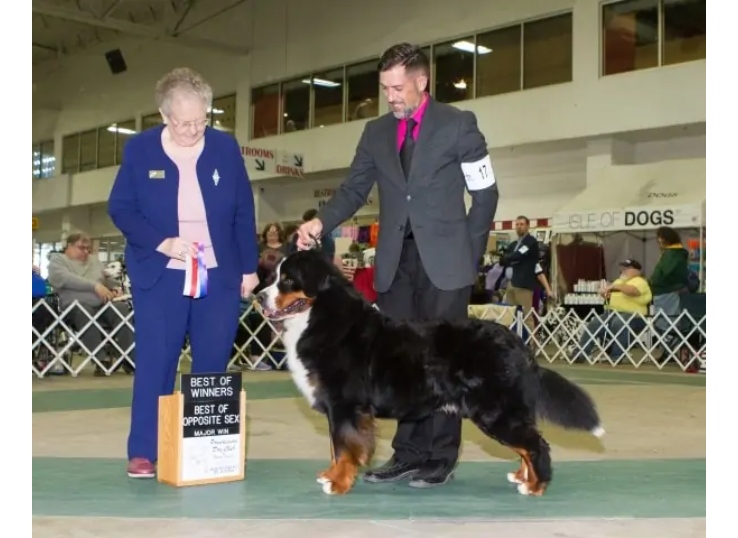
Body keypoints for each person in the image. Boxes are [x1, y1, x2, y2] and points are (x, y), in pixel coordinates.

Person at [296, 43, 499, 488]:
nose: (390, 96)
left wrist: (471, 251)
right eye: (385, 87)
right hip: (394, 263)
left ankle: (440, 457)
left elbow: (486, 194)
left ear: (421, 82)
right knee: (398, 363)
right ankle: (406, 454)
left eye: (397, 87)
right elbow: (353, 190)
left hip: (446, 262)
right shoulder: (374, 133)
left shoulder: (458, 124)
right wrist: (320, 221)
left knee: (445, 362)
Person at [108, 67, 259, 479]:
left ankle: (207, 450)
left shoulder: (225, 148)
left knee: (212, 363)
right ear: (164, 115)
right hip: (161, 272)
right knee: (157, 361)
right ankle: (144, 451)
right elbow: (121, 208)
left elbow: (243, 211)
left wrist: (248, 267)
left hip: (219, 273)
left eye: (201, 120)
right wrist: (162, 242)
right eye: (184, 122)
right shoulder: (140, 151)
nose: (194, 129)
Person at [572, 259, 652, 363]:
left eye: (627, 268)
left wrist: (614, 286)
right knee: (594, 323)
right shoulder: (618, 281)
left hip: (634, 316)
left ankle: (616, 356)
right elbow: (610, 295)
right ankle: (580, 353)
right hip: (611, 313)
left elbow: (633, 291)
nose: (623, 270)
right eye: (622, 268)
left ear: (636, 271)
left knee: (619, 323)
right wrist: (605, 293)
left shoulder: (640, 281)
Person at [650, 226, 689, 326]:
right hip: (670, 290)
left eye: (660, 237)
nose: (658, 240)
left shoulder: (671, 254)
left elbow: (665, 272)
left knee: (665, 320)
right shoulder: (677, 253)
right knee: (671, 318)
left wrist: (653, 282)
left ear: (665, 238)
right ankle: (670, 339)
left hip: (665, 290)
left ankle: (667, 340)